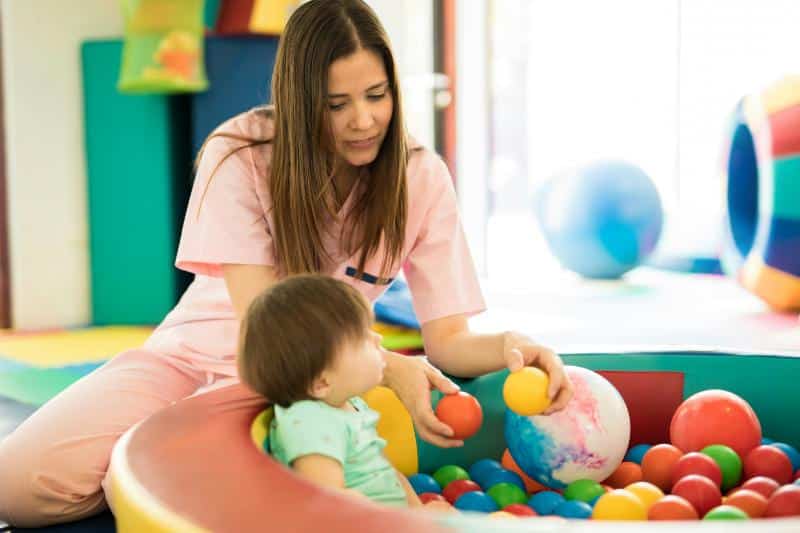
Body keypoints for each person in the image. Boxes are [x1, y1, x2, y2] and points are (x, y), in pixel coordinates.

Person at [0, 0, 572, 526]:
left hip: (300, 384)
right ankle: (129, 468)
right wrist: (390, 367)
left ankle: (137, 472)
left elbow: (447, 340)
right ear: (299, 101)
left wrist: (508, 347)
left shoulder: (421, 177)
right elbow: (263, 326)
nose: (363, 121)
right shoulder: (241, 152)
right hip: (196, 357)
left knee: (203, 494)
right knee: (16, 490)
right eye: (336, 104)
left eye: (377, 95)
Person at [239, 274, 424, 507]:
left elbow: (387, 473)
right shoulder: (310, 421)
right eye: (363, 338)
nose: (377, 338)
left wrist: (420, 514)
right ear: (322, 383)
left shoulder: (350, 403)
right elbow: (330, 501)